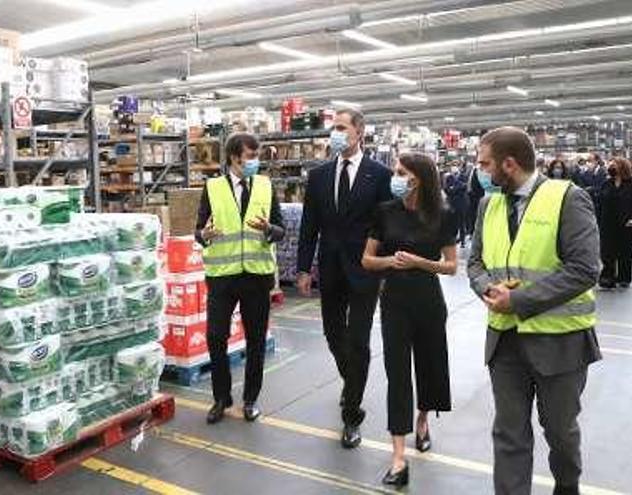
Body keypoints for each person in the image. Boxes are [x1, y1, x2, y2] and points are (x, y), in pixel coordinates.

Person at [467, 127, 601, 495]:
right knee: (508, 435)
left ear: (508, 164)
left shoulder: (569, 198)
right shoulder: (488, 204)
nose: (479, 172)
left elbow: (585, 268)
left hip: (560, 342)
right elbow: (475, 262)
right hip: (504, 341)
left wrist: (520, 301)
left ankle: (567, 488)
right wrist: (486, 289)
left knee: (560, 433)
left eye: (484, 164)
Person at [296, 108, 392, 448]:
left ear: (359, 131)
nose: (334, 133)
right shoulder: (319, 175)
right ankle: (352, 380)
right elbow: (309, 225)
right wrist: (304, 268)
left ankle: (352, 413)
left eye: (340, 127)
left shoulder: (379, 174)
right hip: (331, 268)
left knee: (359, 340)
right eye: (332, 127)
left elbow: (387, 224)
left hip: (366, 269)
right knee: (332, 333)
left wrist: (386, 267)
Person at [361, 153, 457, 487]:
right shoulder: (385, 212)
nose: (396, 177)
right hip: (394, 303)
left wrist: (420, 262)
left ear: (419, 177)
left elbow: (451, 266)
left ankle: (423, 420)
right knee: (397, 376)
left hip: (429, 302)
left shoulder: (442, 215)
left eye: (402, 172)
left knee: (429, 367)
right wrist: (391, 261)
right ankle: (398, 457)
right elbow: (367, 260)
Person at [195, 132, 285, 424]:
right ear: (234, 157)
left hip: (256, 276)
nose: (254, 162)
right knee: (215, 337)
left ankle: (250, 399)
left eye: (256, 156)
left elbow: (281, 229)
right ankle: (222, 397)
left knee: (256, 340)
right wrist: (203, 235)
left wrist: (270, 228)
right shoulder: (213, 188)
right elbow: (200, 230)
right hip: (222, 277)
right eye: (250, 156)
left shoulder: (265, 186)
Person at [597, 157, 632, 288]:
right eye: (610, 165)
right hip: (607, 223)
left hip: (626, 223)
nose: (611, 167)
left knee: (625, 252)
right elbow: (600, 202)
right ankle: (607, 277)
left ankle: (624, 277)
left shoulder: (630, 184)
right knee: (607, 251)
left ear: (622, 167)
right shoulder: (606, 184)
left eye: (615, 165)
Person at [444, 163, 469, 246]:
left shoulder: (463, 176)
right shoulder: (449, 177)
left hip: (461, 205)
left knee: (462, 223)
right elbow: (447, 190)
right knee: (453, 223)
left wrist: (454, 188)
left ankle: (462, 241)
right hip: (452, 204)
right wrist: (456, 188)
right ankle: (453, 240)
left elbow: (464, 187)